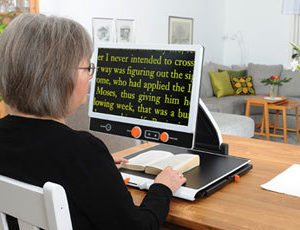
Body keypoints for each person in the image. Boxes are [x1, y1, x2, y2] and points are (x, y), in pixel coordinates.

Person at [0, 14, 186, 230]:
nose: (90, 76)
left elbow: (39, 165)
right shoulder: (82, 152)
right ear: (58, 77)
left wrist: (100, 169)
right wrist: (162, 188)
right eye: (87, 68)